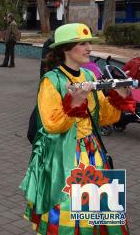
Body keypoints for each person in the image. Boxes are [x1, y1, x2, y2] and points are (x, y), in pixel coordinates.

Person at [21, 23, 134, 235]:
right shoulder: (51, 81)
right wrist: (73, 105)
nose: (89, 48)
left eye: (89, 42)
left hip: (92, 153)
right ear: (65, 48)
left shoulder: (89, 76)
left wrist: (121, 96)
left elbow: (101, 117)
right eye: (82, 43)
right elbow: (51, 124)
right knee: (66, 213)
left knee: (95, 215)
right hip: (63, 155)